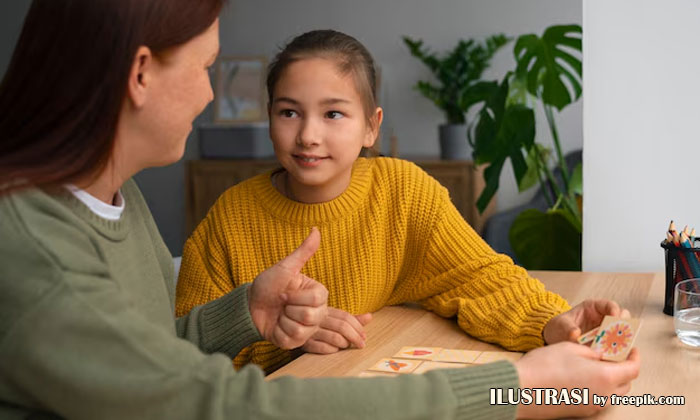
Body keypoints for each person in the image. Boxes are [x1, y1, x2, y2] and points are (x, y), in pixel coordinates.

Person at [0, 1, 639, 419]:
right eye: (207, 67)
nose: (210, 92)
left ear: (369, 126)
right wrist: (513, 392)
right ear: (141, 74)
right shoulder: (34, 249)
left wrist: (245, 313)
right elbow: (209, 404)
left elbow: (143, 369)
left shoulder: (118, 197)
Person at [175, 29, 630, 375]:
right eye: (288, 112)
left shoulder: (404, 192)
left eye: (333, 113)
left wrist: (554, 322)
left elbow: (480, 278)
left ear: (371, 127)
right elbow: (182, 359)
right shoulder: (229, 218)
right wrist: (285, 341)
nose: (308, 135)